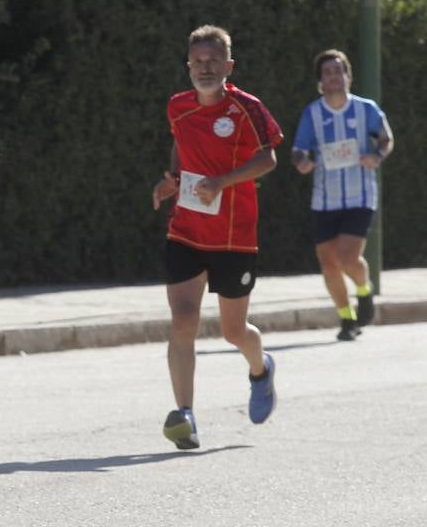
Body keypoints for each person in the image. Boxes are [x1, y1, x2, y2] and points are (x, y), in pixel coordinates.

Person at [151, 25, 281, 450]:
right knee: (183, 319)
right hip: (186, 229)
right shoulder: (178, 106)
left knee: (233, 330)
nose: (204, 68)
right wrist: (171, 179)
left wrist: (223, 181)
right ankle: (184, 414)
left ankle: (260, 370)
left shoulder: (247, 108)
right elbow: (180, 146)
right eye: (197, 61)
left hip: (234, 236)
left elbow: (268, 158)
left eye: (212, 61)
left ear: (228, 66)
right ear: (188, 65)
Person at [291, 49, 394, 341]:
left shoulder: (366, 109)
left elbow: (386, 140)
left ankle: (364, 290)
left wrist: (377, 156)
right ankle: (347, 319)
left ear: (348, 76)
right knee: (329, 264)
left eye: (339, 71)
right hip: (324, 199)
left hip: (360, 196)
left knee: (349, 259)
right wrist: (303, 163)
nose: (333, 77)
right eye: (327, 73)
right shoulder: (312, 113)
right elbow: (299, 149)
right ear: (320, 82)